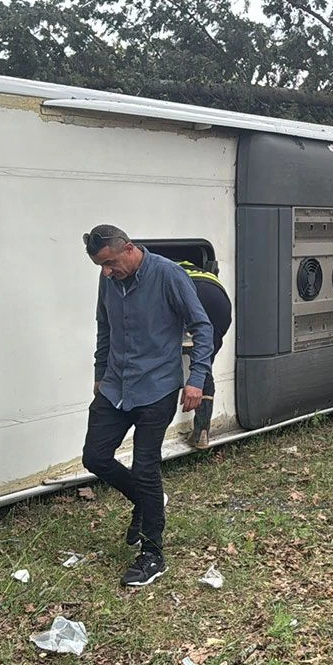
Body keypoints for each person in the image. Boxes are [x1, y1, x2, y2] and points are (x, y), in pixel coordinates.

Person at [83, 225, 214, 586]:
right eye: (100, 267)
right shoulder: (107, 278)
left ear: (127, 249)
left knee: (145, 468)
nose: (107, 272)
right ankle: (145, 500)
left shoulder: (168, 275)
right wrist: (99, 372)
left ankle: (153, 554)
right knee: (95, 457)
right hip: (115, 387)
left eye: (110, 263)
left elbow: (202, 327)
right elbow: (104, 326)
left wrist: (196, 378)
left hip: (157, 387)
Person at [176, 260, 233, 451]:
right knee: (204, 363)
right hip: (219, 299)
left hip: (193, 294)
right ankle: (202, 431)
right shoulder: (193, 267)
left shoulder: (160, 268)